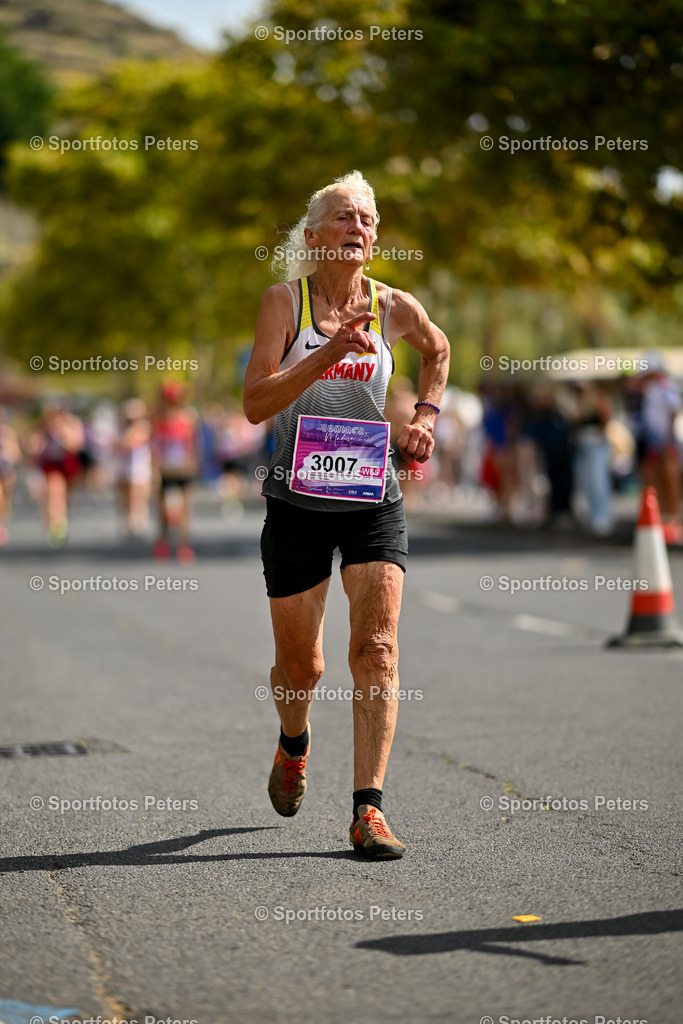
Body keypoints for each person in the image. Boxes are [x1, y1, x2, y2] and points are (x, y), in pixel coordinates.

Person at [243, 171, 450, 859]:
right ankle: (293, 741)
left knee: (378, 649)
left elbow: (439, 349)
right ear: (312, 236)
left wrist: (425, 417)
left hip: (371, 497)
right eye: (343, 217)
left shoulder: (392, 306)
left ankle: (369, 810)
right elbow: (255, 403)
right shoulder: (285, 302)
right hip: (295, 501)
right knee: (301, 668)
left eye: (366, 218)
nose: (357, 227)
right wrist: (329, 350)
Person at [150, 381, 199, 563]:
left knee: (185, 508)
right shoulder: (157, 419)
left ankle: (184, 544)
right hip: (164, 470)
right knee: (163, 509)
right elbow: (153, 445)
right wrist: (154, 469)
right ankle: (163, 540)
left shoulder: (186, 418)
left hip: (182, 469)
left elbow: (191, 443)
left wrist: (193, 463)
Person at [28, 402, 84, 547]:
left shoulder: (71, 424)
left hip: (68, 464)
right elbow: (33, 447)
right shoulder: (43, 427)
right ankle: (56, 525)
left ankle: (60, 520)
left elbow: (75, 445)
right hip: (51, 465)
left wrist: (63, 431)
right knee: (54, 492)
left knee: (65, 496)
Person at [116, 399, 153, 539]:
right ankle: (128, 522)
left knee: (137, 496)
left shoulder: (144, 426)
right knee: (125, 498)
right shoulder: (122, 427)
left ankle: (138, 523)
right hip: (123, 467)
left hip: (139, 468)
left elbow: (130, 442)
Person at [0, 408, 21, 546]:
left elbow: (16, 453)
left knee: (5, 499)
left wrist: (8, 450)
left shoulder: (8, 433)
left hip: (6, 470)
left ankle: (3, 520)